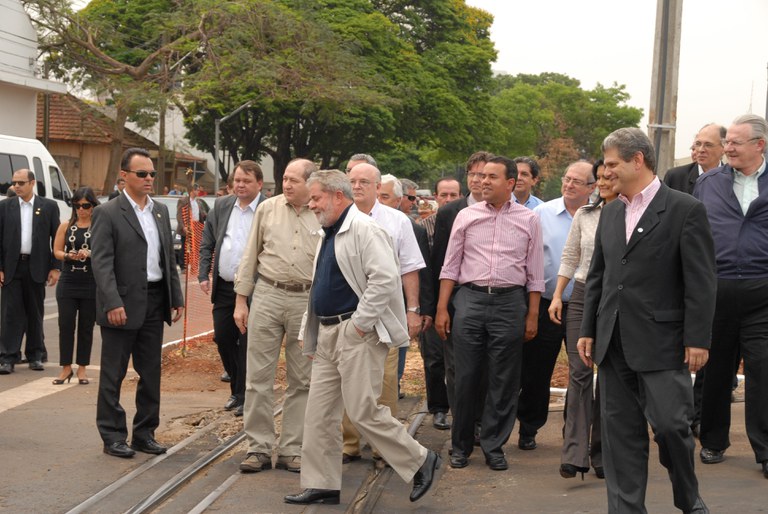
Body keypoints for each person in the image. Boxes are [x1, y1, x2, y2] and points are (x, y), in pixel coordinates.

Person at [578, 128, 715, 513]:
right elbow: (599, 276)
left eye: (611, 164)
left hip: (662, 342)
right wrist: (589, 328)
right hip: (612, 341)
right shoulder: (611, 212)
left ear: (637, 160)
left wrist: (698, 339)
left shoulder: (685, 209)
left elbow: (701, 282)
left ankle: (688, 497)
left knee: (673, 428)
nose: (605, 173)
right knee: (620, 437)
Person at [284, 170, 440, 506]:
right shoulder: (329, 230)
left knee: (363, 410)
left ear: (337, 196)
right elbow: (321, 285)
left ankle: (420, 460)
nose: (310, 204)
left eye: (316, 198)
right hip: (327, 332)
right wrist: (308, 333)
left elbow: (384, 281)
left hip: (355, 333)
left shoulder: (366, 230)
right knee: (320, 413)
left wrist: (359, 326)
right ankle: (322, 483)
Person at [435, 155, 544, 471]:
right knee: (465, 377)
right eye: (481, 176)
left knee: (504, 379)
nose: (483, 182)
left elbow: (535, 271)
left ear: (510, 183)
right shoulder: (466, 216)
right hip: (469, 301)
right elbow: (450, 266)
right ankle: (461, 446)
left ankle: (494, 446)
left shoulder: (529, 220)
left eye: (491, 177)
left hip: (511, 304)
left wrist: (532, 314)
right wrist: (443, 308)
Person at [91, 147, 184, 459]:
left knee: (151, 372)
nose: (149, 179)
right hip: (121, 304)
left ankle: (144, 434)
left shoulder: (159, 211)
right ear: (124, 176)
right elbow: (101, 264)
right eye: (142, 173)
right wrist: (112, 302)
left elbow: (167, 259)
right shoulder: (107, 212)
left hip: (155, 300)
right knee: (113, 374)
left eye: (152, 174)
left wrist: (176, 296)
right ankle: (113, 435)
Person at [231, 159, 318, 473]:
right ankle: (258, 447)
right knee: (257, 379)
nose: (287, 185)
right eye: (284, 178)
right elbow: (249, 254)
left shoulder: (322, 212)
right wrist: (241, 301)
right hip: (267, 294)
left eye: (294, 180)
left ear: (311, 182)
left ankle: (292, 448)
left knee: (302, 380)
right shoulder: (268, 209)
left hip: (307, 301)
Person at [694, 114, 768, 479]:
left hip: (762, 292)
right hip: (717, 289)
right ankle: (712, 441)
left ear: (760, 144)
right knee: (717, 370)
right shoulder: (707, 183)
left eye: (737, 142)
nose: (729, 148)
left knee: (763, 370)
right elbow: (692, 236)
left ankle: (765, 450)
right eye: (728, 142)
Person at [340, 163, 425, 463]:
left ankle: (383, 447)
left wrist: (412, 309)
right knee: (347, 380)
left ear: (378, 187)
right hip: (346, 313)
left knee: (386, 381)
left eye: (364, 181)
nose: (357, 186)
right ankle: (349, 443)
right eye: (352, 181)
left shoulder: (397, 221)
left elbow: (410, 267)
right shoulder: (338, 218)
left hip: (385, 314)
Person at [517, 161, 595, 451]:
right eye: (567, 178)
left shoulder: (599, 214)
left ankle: (573, 434)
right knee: (536, 370)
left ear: (592, 187)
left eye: (577, 181)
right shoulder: (541, 214)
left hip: (586, 306)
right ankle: (528, 427)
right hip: (547, 302)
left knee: (581, 370)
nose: (569, 184)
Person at [548, 160, 615, 479]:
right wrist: (559, 294)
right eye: (599, 178)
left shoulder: (632, 215)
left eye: (607, 177)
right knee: (579, 371)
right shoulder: (586, 215)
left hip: (616, 299)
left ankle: (602, 452)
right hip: (581, 295)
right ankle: (574, 453)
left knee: (610, 375)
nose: (603, 182)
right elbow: (570, 255)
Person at [663, 123, 727, 438]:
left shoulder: (730, 181)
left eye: (707, 144)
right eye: (696, 143)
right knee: (679, 347)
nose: (699, 149)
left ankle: (699, 415)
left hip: (713, 272)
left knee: (706, 345)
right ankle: (680, 413)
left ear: (723, 148)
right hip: (676, 274)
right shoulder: (677, 177)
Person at [427, 151, 493, 439]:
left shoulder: (505, 209)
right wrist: (437, 307)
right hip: (455, 300)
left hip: (493, 302)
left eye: (485, 174)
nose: (479, 180)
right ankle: (462, 421)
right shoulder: (450, 212)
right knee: (457, 367)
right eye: (474, 174)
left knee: (487, 367)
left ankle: (481, 420)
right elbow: (441, 262)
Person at [198, 160, 265, 417]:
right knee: (223, 337)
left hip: (257, 289)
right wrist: (203, 273)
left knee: (248, 343)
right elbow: (208, 242)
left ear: (259, 184)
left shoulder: (267, 208)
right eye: (237, 180)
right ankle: (237, 390)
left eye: (246, 181)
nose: (240, 185)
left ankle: (245, 396)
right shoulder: (222, 205)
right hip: (226, 286)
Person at [378, 174, 432, 403]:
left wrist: (419, 309)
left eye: (385, 197)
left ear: (398, 201)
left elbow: (419, 271)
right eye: (378, 195)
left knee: (391, 369)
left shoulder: (410, 228)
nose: (379, 201)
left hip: (396, 306)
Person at [0, 169, 60, 374]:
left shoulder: (49, 207)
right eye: (14, 182)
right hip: (11, 268)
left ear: (32, 183)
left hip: (37, 268)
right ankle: (8, 357)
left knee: (35, 313)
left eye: (21, 182)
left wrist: (55, 267)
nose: (16, 186)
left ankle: (35, 355)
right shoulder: (5, 207)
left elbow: (56, 238)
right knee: (10, 314)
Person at [417, 177, 461, 430]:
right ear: (435, 197)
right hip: (432, 301)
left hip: (461, 301)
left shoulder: (470, 221)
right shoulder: (424, 228)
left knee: (459, 362)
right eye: (443, 194)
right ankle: (438, 408)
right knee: (433, 359)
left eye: (453, 195)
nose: (447, 199)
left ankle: (462, 409)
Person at [52, 187, 100, 385]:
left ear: (93, 206)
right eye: (77, 205)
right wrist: (68, 256)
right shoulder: (66, 226)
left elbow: (106, 251)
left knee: (86, 327)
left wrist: (90, 254)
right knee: (65, 325)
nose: (81, 209)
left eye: (85, 205)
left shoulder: (99, 227)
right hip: (68, 281)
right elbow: (56, 251)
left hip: (90, 281)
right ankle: (65, 368)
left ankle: (82, 368)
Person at [664, 124, 725, 194]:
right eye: (698, 144)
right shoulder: (675, 177)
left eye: (708, 145)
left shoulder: (733, 179)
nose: (701, 150)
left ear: (723, 148)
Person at [176, 186, 210, 270]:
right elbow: (179, 215)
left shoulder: (198, 201)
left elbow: (202, 214)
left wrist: (210, 216)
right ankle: (183, 266)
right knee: (185, 246)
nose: (198, 191)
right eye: (197, 190)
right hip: (187, 227)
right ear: (191, 190)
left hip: (197, 226)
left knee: (195, 247)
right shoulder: (183, 201)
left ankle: (193, 266)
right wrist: (183, 226)